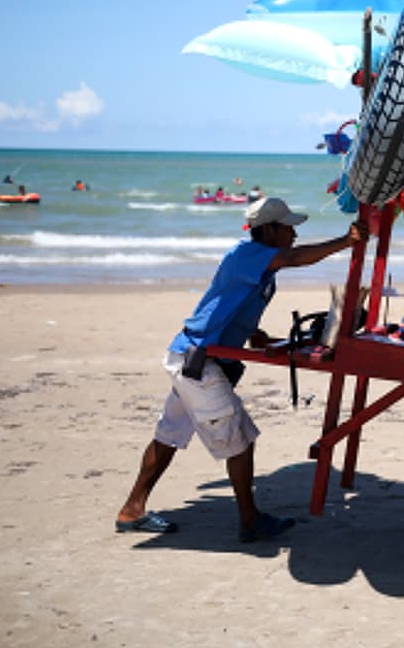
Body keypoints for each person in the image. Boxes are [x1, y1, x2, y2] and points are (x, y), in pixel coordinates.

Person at [116, 197, 369, 542]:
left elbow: (227, 300)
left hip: (193, 357)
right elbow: (295, 258)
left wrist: (252, 332)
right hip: (199, 362)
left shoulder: (260, 264)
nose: (294, 233)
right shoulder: (245, 254)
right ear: (269, 230)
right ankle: (250, 521)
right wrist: (346, 241)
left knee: (168, 437)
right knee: (241, 440)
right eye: (288, 227)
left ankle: (132, 509)